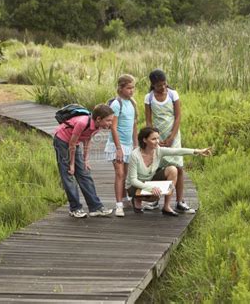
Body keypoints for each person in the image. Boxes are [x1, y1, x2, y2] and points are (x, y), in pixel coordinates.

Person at [126, 127, 212, 216]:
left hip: (149, 181)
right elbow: (133, 181)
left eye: (158, 138)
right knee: (154, 196)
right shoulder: (135, 155)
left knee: (173, 169)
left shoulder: (158, 150)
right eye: (153, 139)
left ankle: (166, 206)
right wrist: (150, 188)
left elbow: (177, 151)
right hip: (133, 187)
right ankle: (137, 198)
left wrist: (197, 151)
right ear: (144, 140)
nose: (157, 141)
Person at [144, 69, 193, 213]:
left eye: (165, 84)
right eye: (159, 85)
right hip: (157, 137)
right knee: (159, 168)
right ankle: (156, 200)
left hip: (173, 135)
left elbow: (178, 116)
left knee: (178, 167)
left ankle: (179, 201)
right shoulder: (149, 97)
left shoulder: (173, 94)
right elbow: (148, 120)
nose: (163, 87)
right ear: (153, 85)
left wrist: (172, 137)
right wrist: (153, 139)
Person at [54, 104, 114, 218]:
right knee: (69, 174)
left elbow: (87, 141)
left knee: (84, 173)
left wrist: (85, 160)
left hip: (73, 143)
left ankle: (95, 207)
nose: (110, 123)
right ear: (98, 119)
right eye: (108, 120)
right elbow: (71, 145)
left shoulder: (97, 127)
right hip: (62, 141)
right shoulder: (82, 123)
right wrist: (71, 164)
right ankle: (75, 208)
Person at [104, 74, 139, 217]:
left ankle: (125, 199)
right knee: (119, 174)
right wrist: (118, 148)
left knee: (126, 175)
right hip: (116, 145)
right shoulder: (116, 104)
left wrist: (136, 145)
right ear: (121, 88)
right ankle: (119, 205)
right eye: (129, 88)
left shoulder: (132, 103)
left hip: (129, 145)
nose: (132, 91)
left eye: (133, 88)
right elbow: (113, 127)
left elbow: (134, 125)